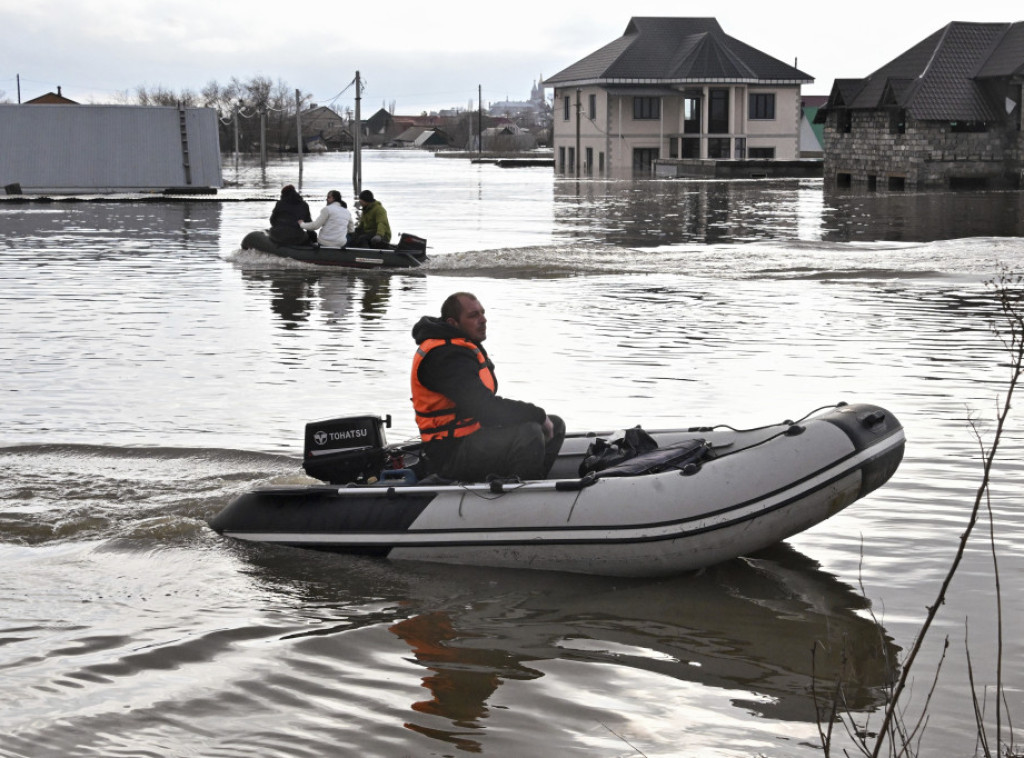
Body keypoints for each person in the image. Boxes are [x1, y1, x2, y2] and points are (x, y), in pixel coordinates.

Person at [410, 292, 565, 481]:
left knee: (554, 424)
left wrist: (539, 417)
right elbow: (485, 409)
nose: (483, 320)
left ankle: (530, 482)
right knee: (530, 432)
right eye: (473, 315)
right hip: (449, 452)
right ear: (453, 323)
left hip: (471, 436)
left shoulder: (457, 346)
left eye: (482, 313)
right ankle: (521, 495)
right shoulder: (445, 357)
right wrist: (537, 415)